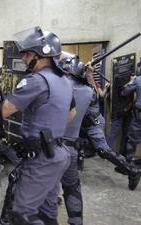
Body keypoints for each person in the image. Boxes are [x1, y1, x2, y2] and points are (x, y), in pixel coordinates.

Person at [0, 27, 72, 225]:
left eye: (27, 54)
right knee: (48, 210)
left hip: (42, 158)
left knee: (22, 214)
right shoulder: (65, 80)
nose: (24, 58)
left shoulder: (35, 81)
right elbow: (71, 114)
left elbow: (4, 111)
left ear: (41, 56)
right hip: (59, 152)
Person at [58, 53, 94, 225]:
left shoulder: (58, 88)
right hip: (72, 149)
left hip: (52, 147)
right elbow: (93, 92)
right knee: (71, 188)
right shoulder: (88, 92)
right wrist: (89, 76)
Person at [121, 73, 141, 190]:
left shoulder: (138, 80)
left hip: (139, 117)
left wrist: (131, 81)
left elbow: (125, 92)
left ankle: (127, 168)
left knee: (131, 143)